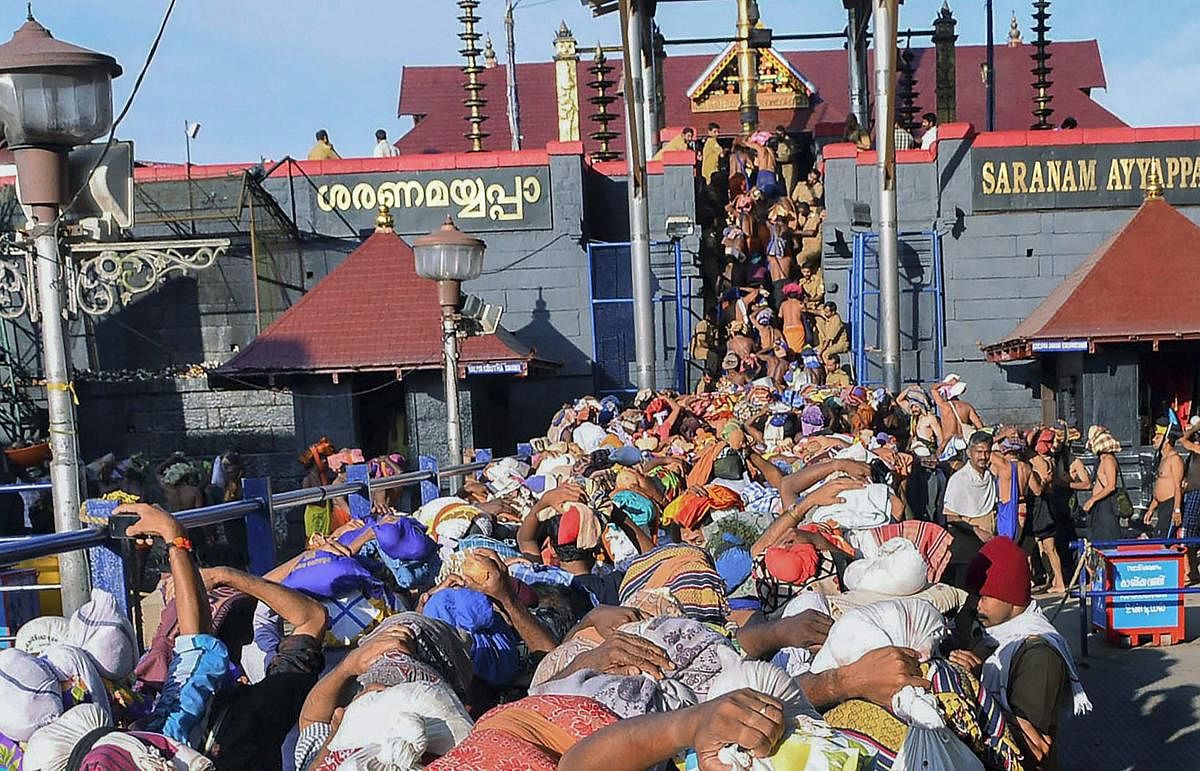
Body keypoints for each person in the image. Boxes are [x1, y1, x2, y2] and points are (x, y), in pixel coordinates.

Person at [953, 536, 1091, 769]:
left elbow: (1027, 745)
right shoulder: (992, 633)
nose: (975, 605)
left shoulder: (1039, 654)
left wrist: (973, 687)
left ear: (1011, 596)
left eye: (983, 596)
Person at [1082, 425, 1123, 542]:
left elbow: (1111, 486)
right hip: (1100, 505)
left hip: (1106, 506)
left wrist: (1092, 499)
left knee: (1106, 539)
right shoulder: (1102, 460)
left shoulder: (1108, 460)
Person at [1146, 418, 1185, 539]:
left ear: (1166, 439)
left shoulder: (1175, 459)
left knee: (1164, 541)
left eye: (1157, 437)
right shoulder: (1162, 459)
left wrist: (1177, 510)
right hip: (1161, 506)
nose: (1153, 440)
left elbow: (1178, 487)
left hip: (1170, 506)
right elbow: (1160, 486)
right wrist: (1151, 509)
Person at [931, 375, 984, 462]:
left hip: (948, 443)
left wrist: (947, 383)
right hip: (964, 442)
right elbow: (980, 427)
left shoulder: (944, 406)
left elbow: (933, 389)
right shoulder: (967, 407)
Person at [772, 125, 798, 194]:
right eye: (777, 134)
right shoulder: (778, 142)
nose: (778, 136)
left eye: (780, 134)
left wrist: (777, 159)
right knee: (780, 186)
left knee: (789, 188)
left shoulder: (789, 142)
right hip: (780, 167)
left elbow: (791, 156)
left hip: (789, 167)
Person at [700, 122, 725, 187]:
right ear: (709, 132)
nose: (717, 134)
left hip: (707, 170)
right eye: (715, 132)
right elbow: (722, 154)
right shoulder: (712, 142)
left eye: (718, 132)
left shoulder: (709, 142)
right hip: (711, 170)